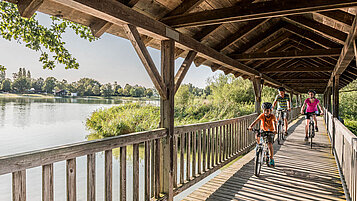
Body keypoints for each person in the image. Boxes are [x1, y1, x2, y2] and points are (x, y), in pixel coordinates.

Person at [248, 102, 277, 167]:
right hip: (263, 130)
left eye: (267, 111)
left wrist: (275, 130)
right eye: (264, 110)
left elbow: (274, 122)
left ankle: (271, 158)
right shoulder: (262, 115)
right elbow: (256, 121)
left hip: (270, 131)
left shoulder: (272, 116)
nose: (266, 112)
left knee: (269, 144)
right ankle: (258, 144)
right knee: (257, 134)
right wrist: (251, 126)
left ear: (270, 110)